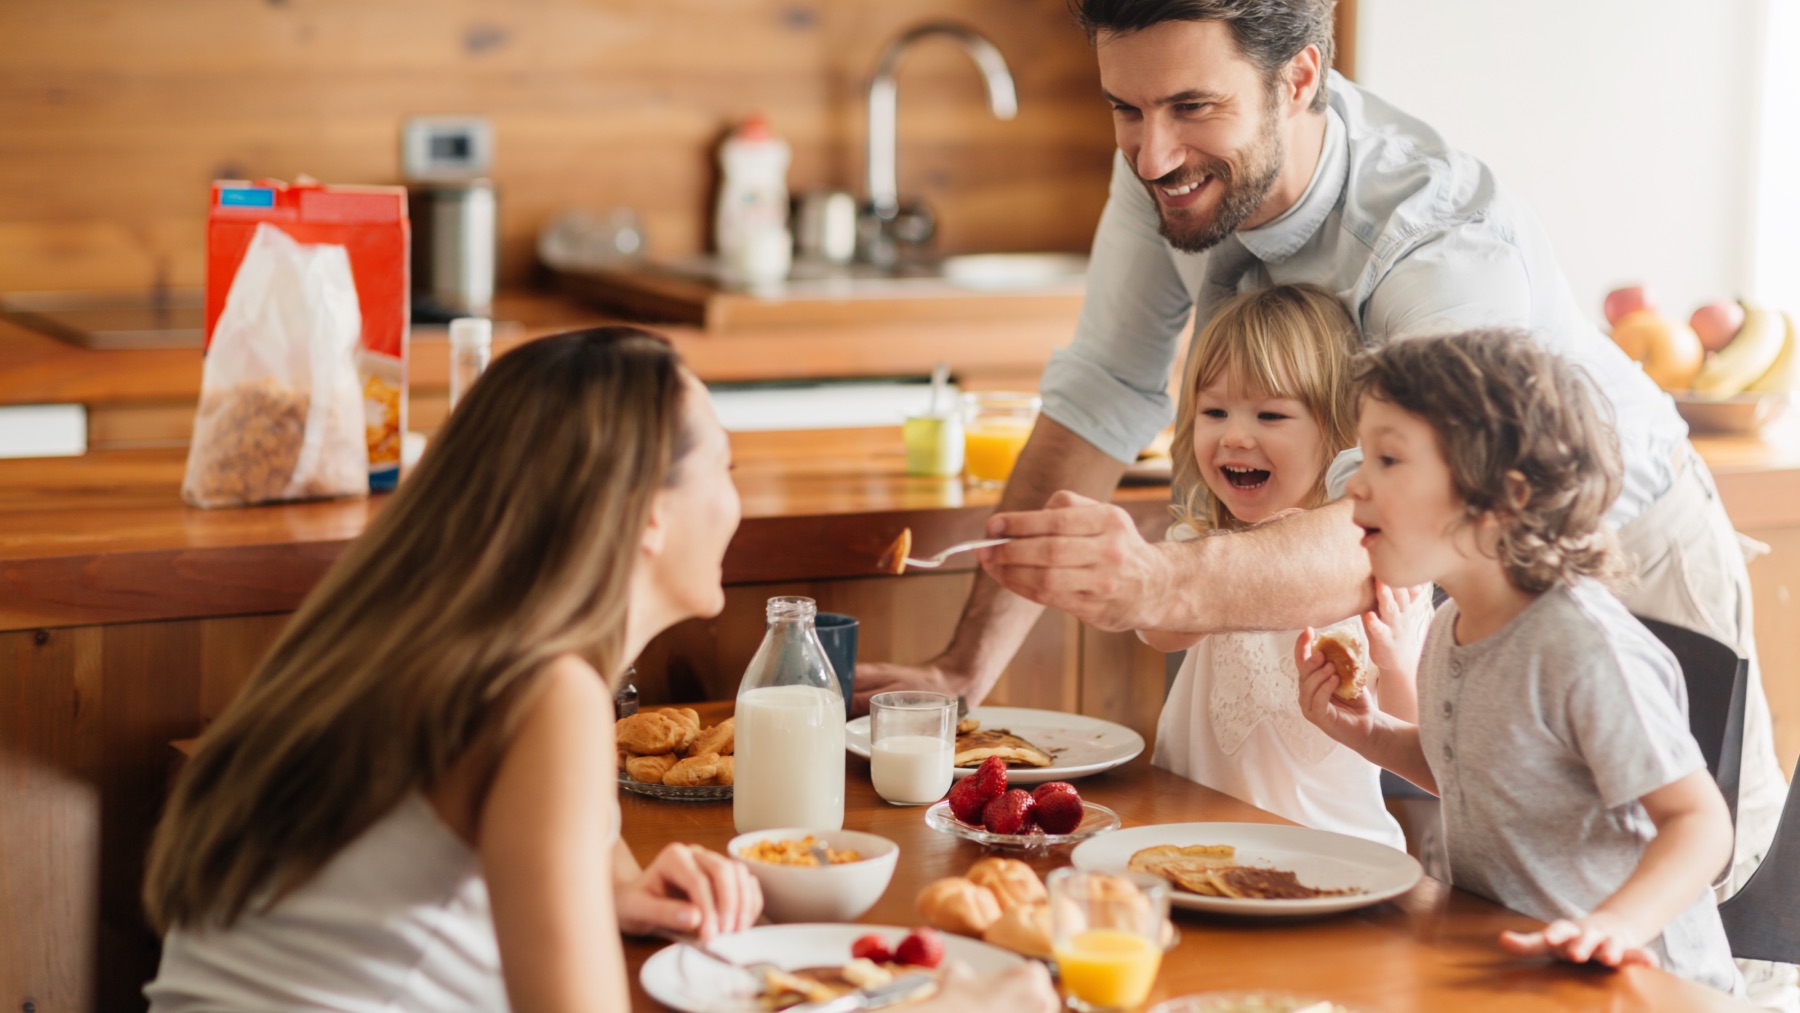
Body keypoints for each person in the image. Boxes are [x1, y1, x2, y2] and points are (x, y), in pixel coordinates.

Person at [855, 3, 1791, 1004]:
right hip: (1456, 579)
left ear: (1299, 79)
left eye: (1191, 107)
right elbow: (1099, 397)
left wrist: (1162, 578)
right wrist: (963, 666)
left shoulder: (1442, 242)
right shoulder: (1169, 164)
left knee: (1673, 917)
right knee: (1505, 880)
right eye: (1125, 108)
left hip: (1622, 547)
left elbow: (1388, 522)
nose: (1153, 152)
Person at [141, 328, 1057, 1012]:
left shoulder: (411, 637)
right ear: (646, 513)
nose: (737, 501)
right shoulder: (544, 693)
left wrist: (606, 888)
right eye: (726, 467)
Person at [1296, 329, 1742, 994]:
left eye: (1387, 458)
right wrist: (1371, 733)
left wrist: (1613, 926)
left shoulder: (1585, 648)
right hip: (1528, 974)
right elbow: (1481, 775)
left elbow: (1699, 824)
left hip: (1647, 985)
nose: (1354, 482)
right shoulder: (1449, 627)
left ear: (1501, 498)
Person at [1142, 283, 1427, 849]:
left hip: (1330, 851)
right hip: (1195, 839)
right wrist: (1207, 581)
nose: (1234, 435)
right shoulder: (1203, 542)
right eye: (1213, 411)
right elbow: (1157, 630)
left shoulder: (1379, 562)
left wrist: (1396, 661)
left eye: (1270, 414)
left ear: (1339, 433)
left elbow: (1418, 742)